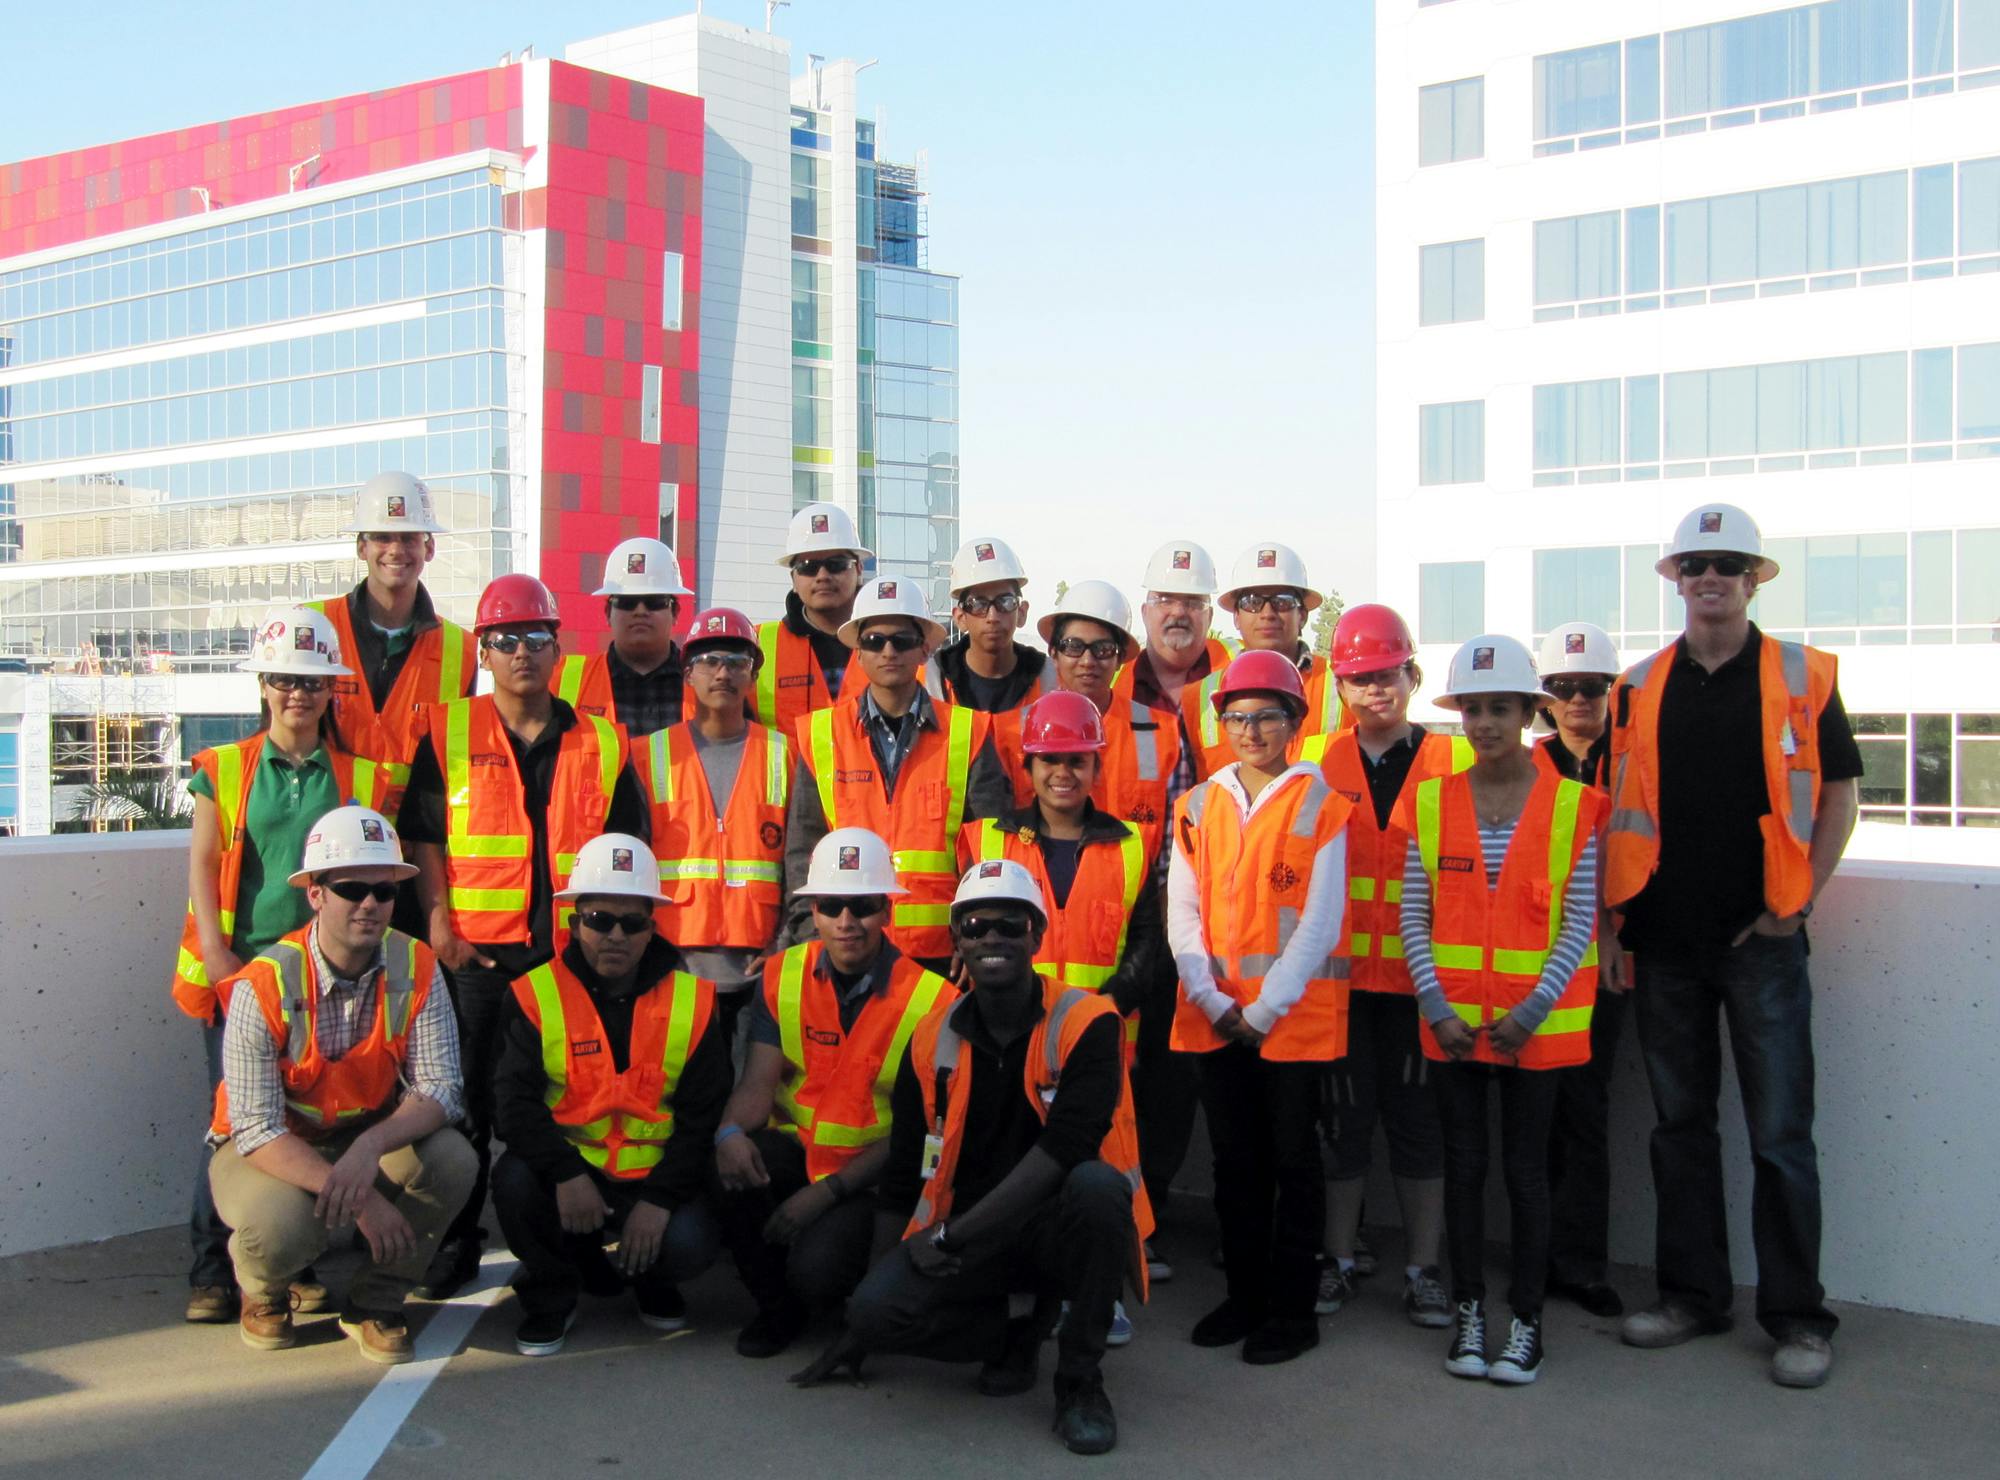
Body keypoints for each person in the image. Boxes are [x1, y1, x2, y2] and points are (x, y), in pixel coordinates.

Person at [1607, 503, 1861, 1390]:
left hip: (1764, 942)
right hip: (1664, 942)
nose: (1710, 577)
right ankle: (1692, 1298)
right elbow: (1615, 814)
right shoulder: (1636, 686)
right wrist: (1616, 929)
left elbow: (1840, 796)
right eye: (1695, 564)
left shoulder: (1802, 675)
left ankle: (1797, 1318)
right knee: (1679, 1130)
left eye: (1726, 564)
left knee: (1781, 1136)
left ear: (1753, 579)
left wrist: (1798, 904)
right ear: (1676, 580)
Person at [800, 859, 1151, 1457]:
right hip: (967, 1233)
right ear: (956, 940)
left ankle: (1079, 1382)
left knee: (1098, 1187)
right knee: (875, 1313)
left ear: (1037, 937)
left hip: (1056, 1227)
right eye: (975, 925)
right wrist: (866, 1316)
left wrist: (950, 1238)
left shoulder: (1088, 1023)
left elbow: (1064, 1149)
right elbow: (905, 1170)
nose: (992, 937)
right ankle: (1014, 1332)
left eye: (1010, 925)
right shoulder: (932, 1037)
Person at [399, 572, 650, 1301]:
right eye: (505, 639)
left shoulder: (602, 741)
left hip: (570, 963)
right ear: (483, 651)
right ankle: (457, 1244)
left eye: (536, 637)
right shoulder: (448, 732)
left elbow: (625, 851)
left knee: (575, 1103)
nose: (521, 652)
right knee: (468, 1107)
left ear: (557, 648)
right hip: (478, 960)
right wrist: (440, 924)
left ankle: (578, 1242)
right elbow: (425, 837)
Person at [173, 606, 407, 1327]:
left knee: (303, 1117)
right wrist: (219, 956)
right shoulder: (225, 769)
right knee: (232, 1119)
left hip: (321, 976)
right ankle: (213, 1269)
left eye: (312, 681)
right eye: (284, 679)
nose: (298, 693)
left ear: (333, 689)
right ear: (264, 686)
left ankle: (293, 1266)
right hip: (246, 975)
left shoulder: (358, 775)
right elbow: (204, 864)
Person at [1395, 634, 1604, 1387]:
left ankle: (1526, 1323)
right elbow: (1413, 914)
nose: (1484, 723)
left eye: (1500, 708)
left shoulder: (1573, 805)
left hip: (1533, 1032)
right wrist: (1434, 1004)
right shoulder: (1430, 800)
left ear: (1527, 713)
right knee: (1464, 1171)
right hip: (1452, 1026)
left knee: (1527, 1177)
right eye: (1472, 708)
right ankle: (1469, 1314)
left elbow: (1579, 921)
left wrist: (1532, 1012)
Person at [205, 806, 473, 1364]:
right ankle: (263, 1290)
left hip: (365, 1138)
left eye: (384, 891)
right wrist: (363, 1199)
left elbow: (443, 1088)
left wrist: (370, 1146)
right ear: (316, 894)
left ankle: (376, 1300)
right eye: (351, 888)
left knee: (453, 1159)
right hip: (272, 1150)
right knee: (282, 1229)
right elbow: (256, 1129)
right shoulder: (263, 984)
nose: (370, 904)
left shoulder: (417, 965)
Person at [1168, 650, 1352, 1365]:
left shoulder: (1322, 805)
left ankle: (1293, 1312)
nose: (1250, 731)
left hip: (1290, 1024)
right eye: (1237, 717)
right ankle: (1243, 1297)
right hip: (1215, 1017)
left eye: (1267, 716)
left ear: (1295, 722)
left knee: (1294, 1164)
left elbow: (1320, 923)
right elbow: (1183, 913)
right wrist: (1211, 998)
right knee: (1236, 1165)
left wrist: (1264, 1009)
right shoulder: (1196, 805)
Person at [714, 829, 951, 1359]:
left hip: (874, 1180)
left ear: (886, 911)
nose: (847, 921)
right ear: (814, 912)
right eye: (832, 906)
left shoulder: (932, 999)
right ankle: (775, 1310)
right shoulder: (782, 975)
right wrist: (728, 1134)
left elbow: (917, 1133)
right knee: (730, 1168)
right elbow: (756, 1086)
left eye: (862, 906)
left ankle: (838, 1292)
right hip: (798, 1152)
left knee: (816, 1272)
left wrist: (825, 1195)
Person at [490, 833, 730, 1356]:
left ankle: (650, 1277)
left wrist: (659, 1201)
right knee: (514, 1180)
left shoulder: (694, 1001)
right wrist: (566, 1174)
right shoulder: (532, 995)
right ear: (575, 923)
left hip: (656, 1176)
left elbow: (702, 1118)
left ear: (652, 929)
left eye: (632, 923)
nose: (616, 935)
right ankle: (553, 1294)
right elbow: (512, 1106)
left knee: (690, 1243)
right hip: (570, 1173)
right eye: (600, 920)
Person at [1310, 604, 1470, 1328]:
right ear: (1340, 687)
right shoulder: (1316, 763)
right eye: (1360, 678)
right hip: (1339, 986)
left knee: (1417, 1126)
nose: (1375, 689)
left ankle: (1422, 1270)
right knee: (1342, 1127)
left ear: (1413, 676)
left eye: (1388, 674)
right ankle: (1338, 1260)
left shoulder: (1454, 763)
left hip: (1419, 986)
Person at [1034, 582, 1190, 1281]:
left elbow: (1181, 837)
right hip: (1060, 938)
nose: (1087, 660)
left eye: (1103, 648)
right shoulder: (1023, 727)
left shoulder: (1160, 729)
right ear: (1053, 652)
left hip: (1146, 930)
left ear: (1123, 655)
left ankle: (1140, 1224)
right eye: (1073, 646)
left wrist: (1150, 950)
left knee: (1156, 1093)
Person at [781, 575, 1012, 972]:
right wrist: (812, 938)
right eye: (874, 641)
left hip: (940, 956)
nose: (888, 651)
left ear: (924, 649)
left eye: (902, 640)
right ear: (858, 652)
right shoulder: (821, 736)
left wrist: (976, 936)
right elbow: (803, 852)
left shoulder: (969, 732)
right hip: (846, 949)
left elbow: (990, 852)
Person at [635, 607, 789, 1042]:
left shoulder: (786, 755)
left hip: (759, 969)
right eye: (709, 661)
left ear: (753, 675)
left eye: (737, 662)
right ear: (687, 674)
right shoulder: (647, 756)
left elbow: (800, 867)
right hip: (673, 965)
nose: (723, 673)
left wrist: (783, 945)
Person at [1533, 620, 1628, 1320]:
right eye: (1562, 688)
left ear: (1611, 693)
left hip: (1606, 964)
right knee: (1530, 1120)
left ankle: (1582, 1265)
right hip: (1528, 966)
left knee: (1586, 1115)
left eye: (1591, 687)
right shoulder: (1523, 765)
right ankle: (1532, 1259)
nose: (1577, 701)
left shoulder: (1637, 766)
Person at [312, 471, 477, 765]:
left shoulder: (460, 650)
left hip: (419, 799)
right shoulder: (315, 626)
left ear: (429, 548)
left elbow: (456, 759)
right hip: (329, 798)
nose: (396, 550)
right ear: (361, 547)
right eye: (382, 537)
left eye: (409, 538)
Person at [1112, 539, 1236, 782]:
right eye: (1165, 600)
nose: (1178, 612)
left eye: (1193, 602)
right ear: (1145, 612)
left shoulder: (1240, 667)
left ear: (1210, 616)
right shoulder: (1112, 682)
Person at [553, 536, 694, 738]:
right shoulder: (560, 678)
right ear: (607, 613)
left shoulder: (705, 680)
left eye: (654, 602)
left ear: (676, 613)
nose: (640, 611)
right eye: (627, 602)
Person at [1215, 541, 1344, 759]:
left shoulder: (1343, 686)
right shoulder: (1199, 697)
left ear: (1302, 615)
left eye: (1282, 602)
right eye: (1252, 602)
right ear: (1236, 616)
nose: (1267, 614)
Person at [753, 502, 870, 735]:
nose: (823, 576)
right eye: (808, 567)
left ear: (858, 569)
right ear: (793, 579)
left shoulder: (894, 641)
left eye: (836, 565)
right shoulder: (756, 645)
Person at [923, 535, 1049, 712]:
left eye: (1005, 602)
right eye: (978, 604)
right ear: (960, 618)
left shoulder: (1050, 680)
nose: (992, 616)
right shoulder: (930, 682)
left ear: (1021, 612)